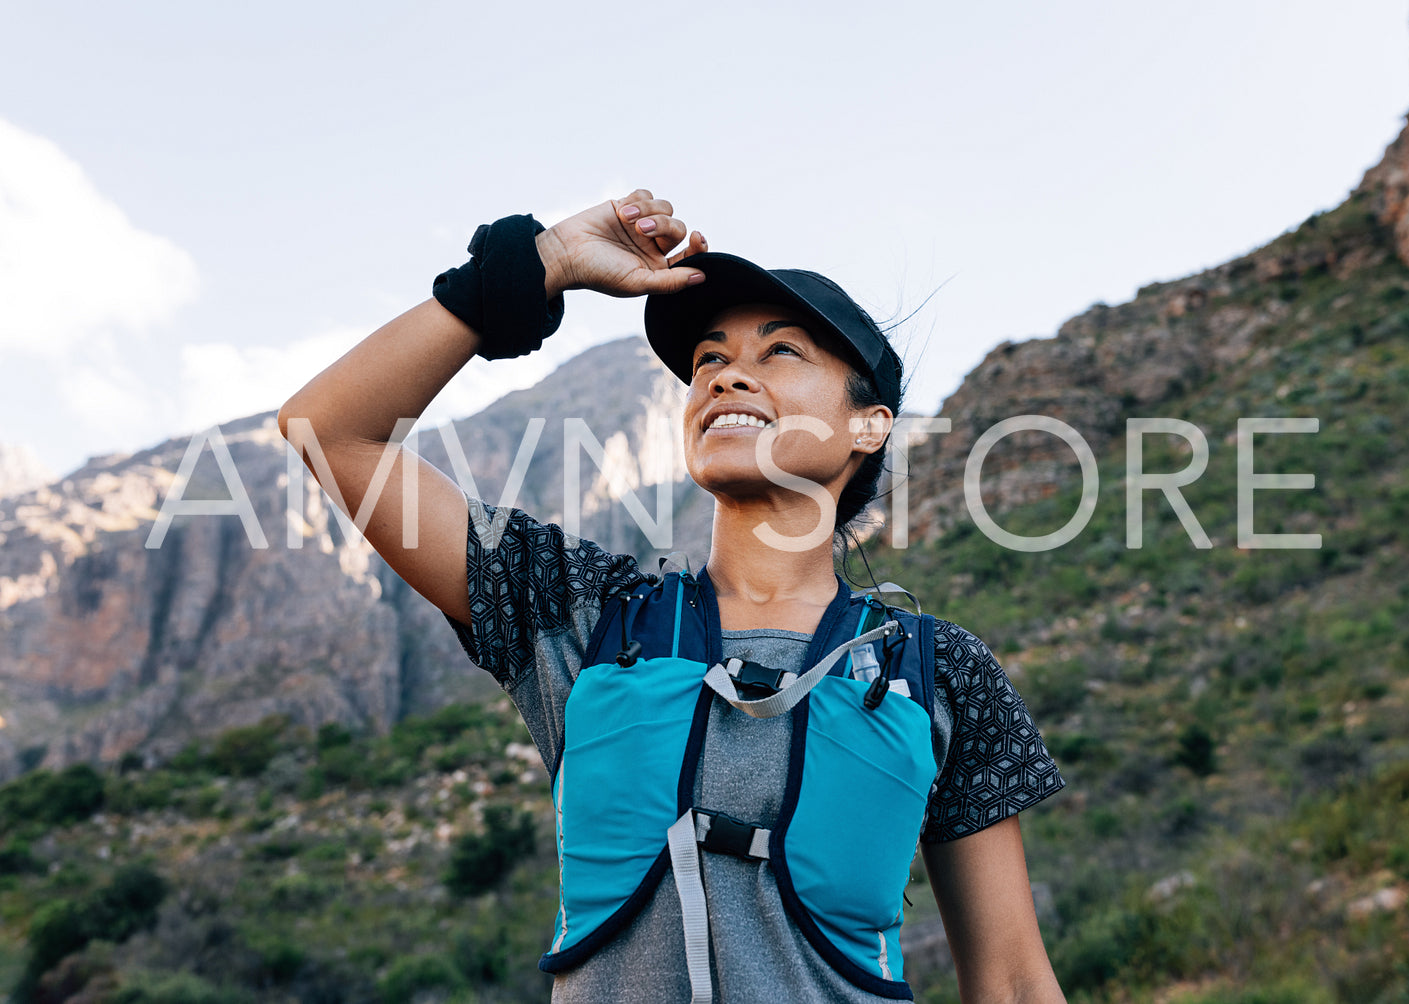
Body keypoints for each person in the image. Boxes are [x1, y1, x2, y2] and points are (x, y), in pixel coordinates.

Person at [278, 190, 1067, 1003]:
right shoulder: (583, 616)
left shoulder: (939, 672)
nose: (727, 376)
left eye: (780, 352)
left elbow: (1010, 981)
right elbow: (329, 429)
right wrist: (535, 264)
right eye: (708, 361)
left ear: (868, 425)